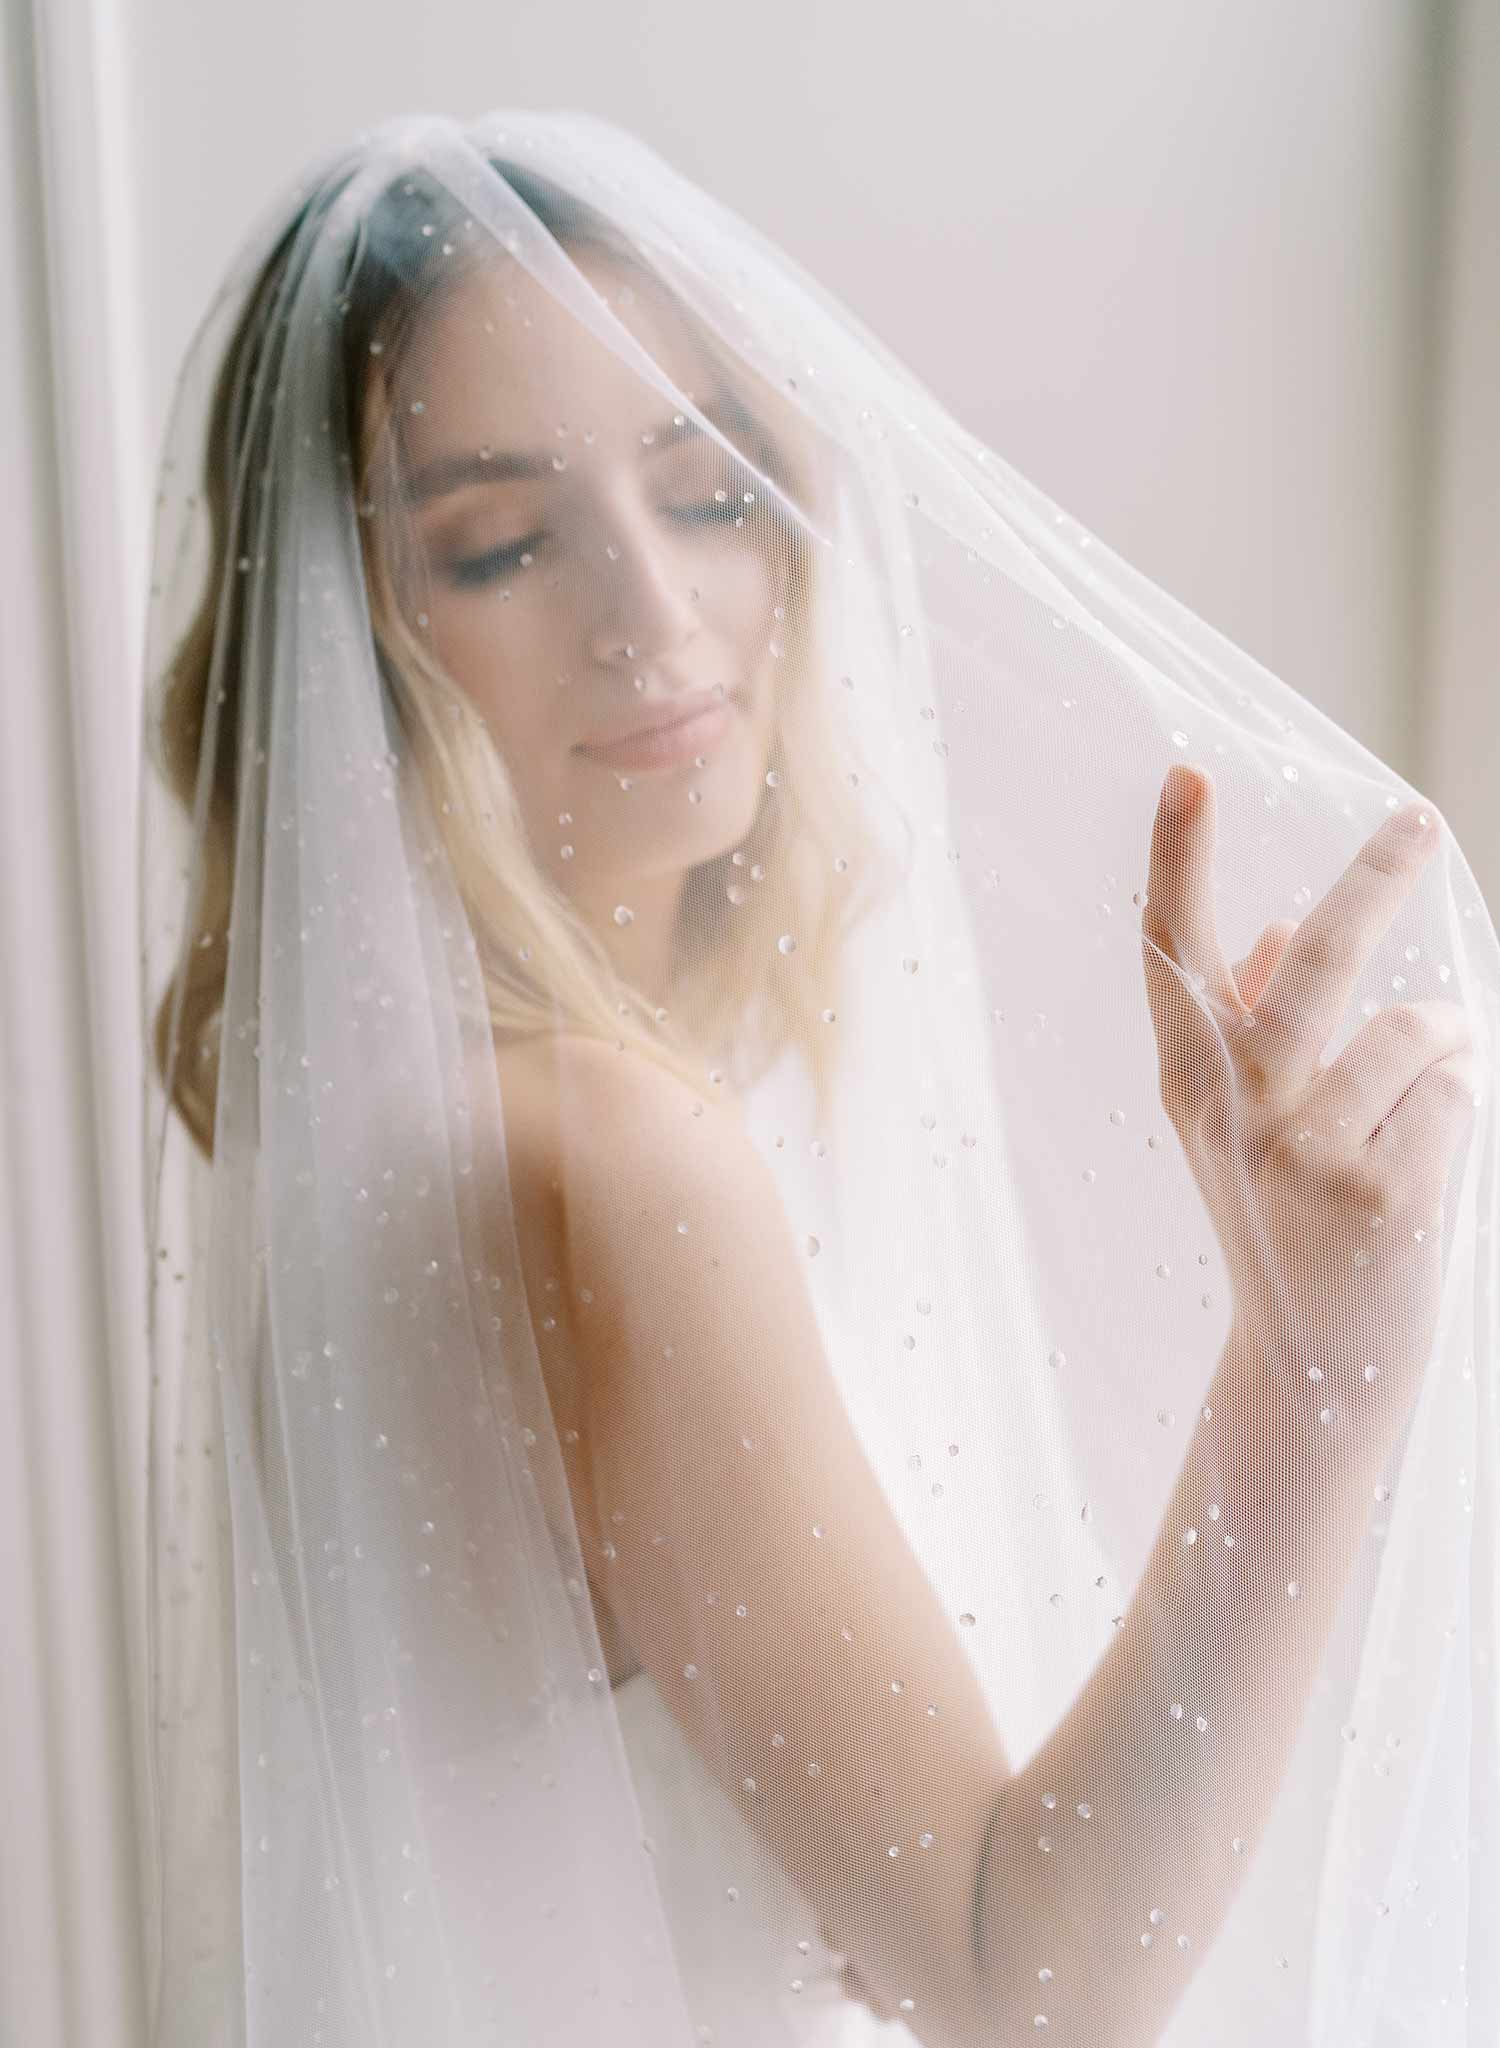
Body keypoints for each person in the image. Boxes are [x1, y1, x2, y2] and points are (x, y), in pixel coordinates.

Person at [138, 112, 1498, 2046]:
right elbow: (1031, 1988)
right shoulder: (608, 1163)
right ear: (356, 643)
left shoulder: (419, 1137)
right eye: (504, 541)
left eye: (701, 492)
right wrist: (1312, 1359)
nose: (651, 612)